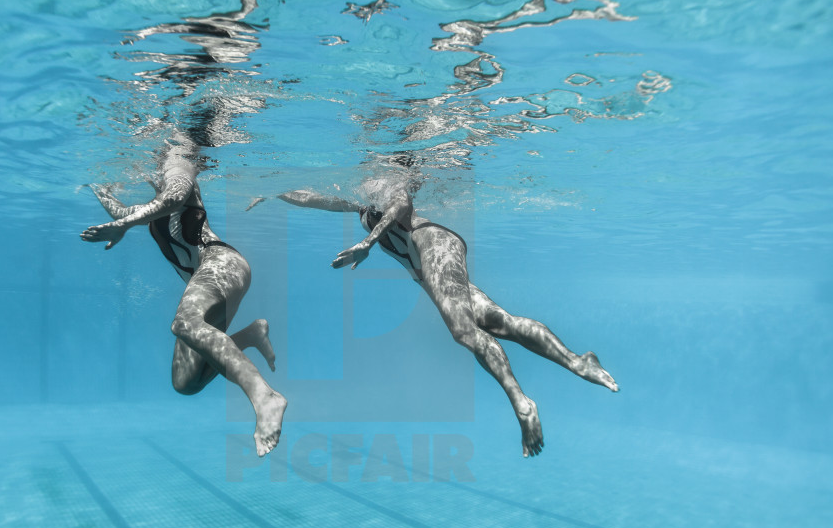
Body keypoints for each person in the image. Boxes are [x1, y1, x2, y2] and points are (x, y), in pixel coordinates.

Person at [257, 174, 618, 458]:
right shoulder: (361, 202)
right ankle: (577, 361)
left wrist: (367, 243)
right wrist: (274, 192)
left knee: (463, 330)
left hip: (433, 244)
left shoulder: (387, 176)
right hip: (426, 266)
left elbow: (398, 204)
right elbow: (318, 199)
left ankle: (522, 403)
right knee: (497, 322)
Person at [81, 138, 286, 456]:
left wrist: (124, 224)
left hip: (221, 264)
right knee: (185, 383)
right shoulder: (154, 200)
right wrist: (99, 188)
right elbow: (127, 210)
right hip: (210, 278)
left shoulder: (177, 164)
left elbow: (175, 198)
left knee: (184, 322)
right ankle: (250, 334)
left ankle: (263, 396)